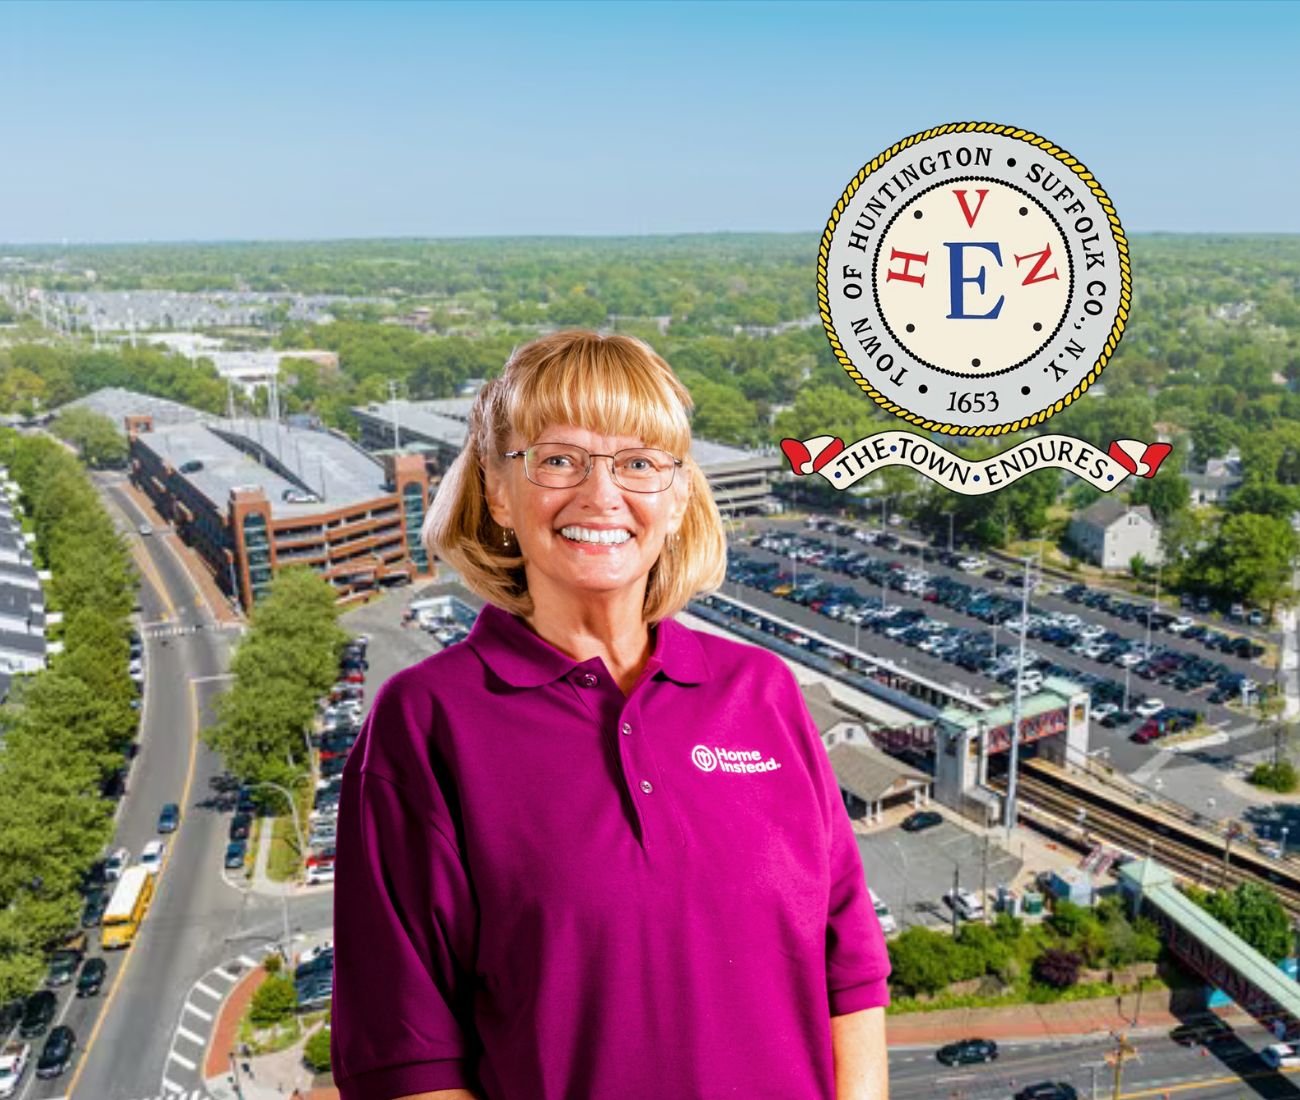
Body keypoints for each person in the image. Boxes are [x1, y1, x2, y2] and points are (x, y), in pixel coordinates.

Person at [331, 331, 891, 1100]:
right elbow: (404, 1057)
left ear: (679, 494)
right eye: (559, 459)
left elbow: (850, 970)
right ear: (497, 488)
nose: (601, 496)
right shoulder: (427, 723)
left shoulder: (761, 692)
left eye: (638, 463)